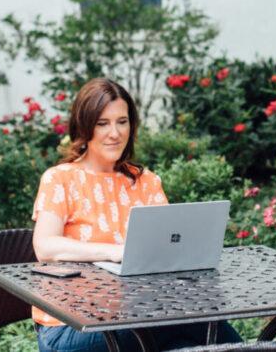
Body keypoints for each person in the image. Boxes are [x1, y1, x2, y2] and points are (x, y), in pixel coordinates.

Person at [32, 78, 242, 352]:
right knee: (186, 319)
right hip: (71, 328)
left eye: (122, 121)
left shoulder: (146, 182)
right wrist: (114, 252)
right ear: (84, 126)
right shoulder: (60, 179)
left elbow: (168, 248)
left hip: (139, 316)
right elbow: (45, 246)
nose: (115, 133)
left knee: (189, 329)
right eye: (102, 123)